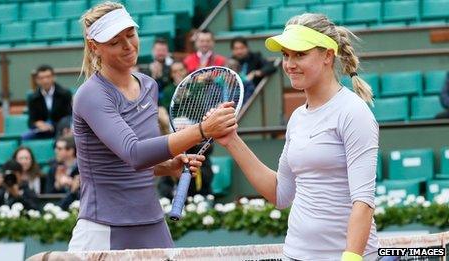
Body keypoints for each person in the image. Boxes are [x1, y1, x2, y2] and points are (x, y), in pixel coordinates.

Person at [68, 2, 236, 252]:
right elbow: (134, 153)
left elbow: (135, 161)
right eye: (115, 42)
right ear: (95, 47)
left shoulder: (149, 86)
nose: (128, 46)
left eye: (130, 35)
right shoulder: (91, 95)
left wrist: (166, 166)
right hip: (103, 227)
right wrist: (202, 130)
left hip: (152, 224)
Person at [214, 13, 379, 260]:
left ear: (327, 56)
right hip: (295, 254)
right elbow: (281, 193)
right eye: (286, 55)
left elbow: (363, 203)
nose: (289, 64)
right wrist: (232, 141)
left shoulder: (354, 112)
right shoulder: (298, 118)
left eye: (300, 54)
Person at [23, 65, 72, 140]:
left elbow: (68, 116)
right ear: (37, 80)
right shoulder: (33, 98)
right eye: (42, 78)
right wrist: (38, 124)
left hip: (60, 129)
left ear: (53, 77)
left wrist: (52, 126)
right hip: (42, 131)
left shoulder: (65, 94)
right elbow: (31, 121)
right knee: (25, 137)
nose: (45, 80)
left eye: (48, 77)